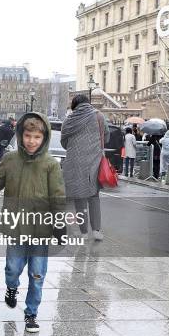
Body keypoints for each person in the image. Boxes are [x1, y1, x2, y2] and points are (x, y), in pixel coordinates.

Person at [0, 112, 65, 333]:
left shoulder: (50, 164)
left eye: (37, 137)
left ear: (44, 139)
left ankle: (31, 314)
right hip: (16, 227)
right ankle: (11, 287)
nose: (31, 141)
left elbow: (58, 196)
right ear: (21, 135)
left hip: (41, 229)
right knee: (13, 268)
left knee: (37, 274)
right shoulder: (10, 159)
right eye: (28, 136)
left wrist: (59, 222)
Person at [60, 95, 109, 241]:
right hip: (94, 161)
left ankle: (84, 232)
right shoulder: (99, 116)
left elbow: (64, 142)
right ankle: (96, 231)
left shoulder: (68, 120)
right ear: (88, 104)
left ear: (74, 106)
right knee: (94, 196)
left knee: (79, 197)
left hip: (74, 163)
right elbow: (105, 137)